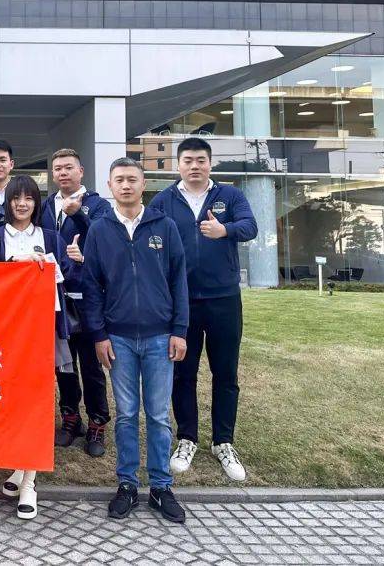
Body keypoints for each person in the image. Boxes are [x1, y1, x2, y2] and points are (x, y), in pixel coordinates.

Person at [80, 158, 189, 525]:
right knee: (126, 415)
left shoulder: (165, 226)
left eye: (132, 179)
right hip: (118, 338)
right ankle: (127, 484)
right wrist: (98, 335)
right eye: (119, 180)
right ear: (110, 186)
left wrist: (180, 330)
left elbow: (179, 280)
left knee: (158, 415)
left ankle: (160, 486)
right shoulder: (99, 229)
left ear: (143, 185)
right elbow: (91, 286)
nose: (125, 185)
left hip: (160, 337)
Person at [150, 137, 258, 482]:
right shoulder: (164, 200)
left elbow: (250, 227)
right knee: (183, 373)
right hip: (182, 301)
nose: (194, 166)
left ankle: (223, 441)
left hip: (224, 298)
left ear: (210, 164)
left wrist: (225, 229)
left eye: (200, 160)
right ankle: (187, 438)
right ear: (178, 165)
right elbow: (150, 240)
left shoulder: (230, 195)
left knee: (225, 373)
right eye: (188, 160)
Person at [0, 174, 81, 521]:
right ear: (7, 203)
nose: (22, 204)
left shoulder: (50, 236)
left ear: (37, 203)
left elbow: (65, 274)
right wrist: (16, 267)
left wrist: (54, 264)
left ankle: (30, 482)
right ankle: (19, 467)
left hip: (43, 326)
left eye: (29, 198)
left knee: (37, 399)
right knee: (12, 398)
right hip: (7, 329)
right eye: (16, 198)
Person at [41, 149, 113, 457]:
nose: (63, 173)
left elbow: (106, 239)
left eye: (68, 167)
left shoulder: (97, 204)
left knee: (91, 365)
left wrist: (77, 215)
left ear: (81, 171)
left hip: (88, 298)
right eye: (57, 168)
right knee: (64, 364)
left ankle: (97, 422)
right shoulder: (46, 205)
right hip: (57, 297)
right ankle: (70, 419)